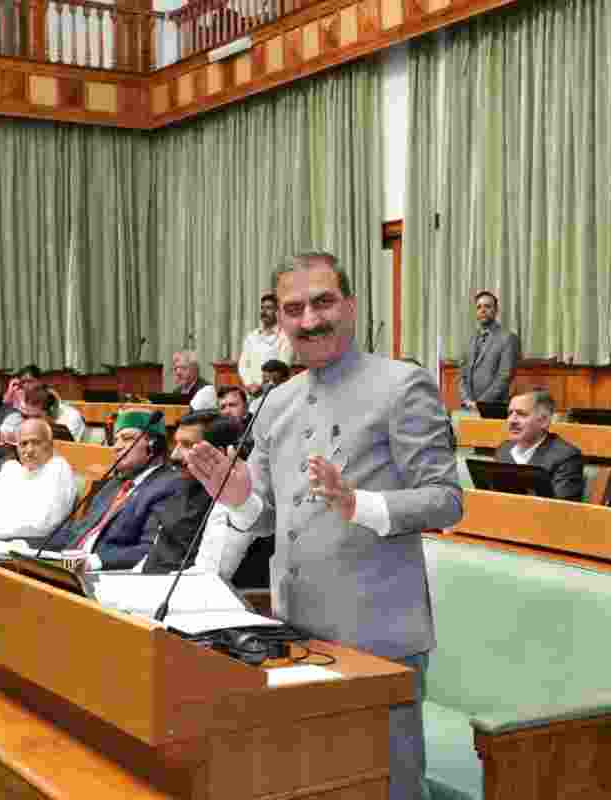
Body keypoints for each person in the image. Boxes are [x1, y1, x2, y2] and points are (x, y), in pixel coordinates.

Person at [184, 251, 463, 800]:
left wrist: (360, 504)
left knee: (389, 788)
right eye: (294, 309)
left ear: (351, 306)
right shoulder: (276, 402)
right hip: (295, 635)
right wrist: (240, 498)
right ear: (280, 320)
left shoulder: (402, 386)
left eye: (322, 302)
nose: (310, 320)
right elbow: (265, 514)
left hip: (379, 635)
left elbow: (447, 501)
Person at [139, 410, 263, 579]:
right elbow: (155, 555)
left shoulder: (234, 501)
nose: (174, 455)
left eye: (187, 445)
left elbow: (209, 577)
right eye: (176, 444)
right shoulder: (181, 484)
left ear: (216, 454)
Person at [50, 411, 180, 570]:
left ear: (153, 445)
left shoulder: (168, 486)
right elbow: (77, 532)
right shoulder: (114, 483)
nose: (116, 447)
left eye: (126, 439)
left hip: (106, 575)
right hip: (71, 567)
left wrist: (93, 561)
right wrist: (24, 545)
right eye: (115, 440)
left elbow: (151, 550)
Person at [0, 419, 79, 540]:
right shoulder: (11, 471)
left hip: (35, 546)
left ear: (50, 445)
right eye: (23, 444)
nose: (29, 450)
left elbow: (44, 524)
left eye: (36, 442)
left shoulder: (58, 468)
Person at [496, 389, 584, 501]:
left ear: (544, 421)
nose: (512, 420)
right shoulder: (503, 450)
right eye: (510, 413)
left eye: (521, 414)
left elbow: (561, 511)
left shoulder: (566, 457)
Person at [459, 290, 520, 410]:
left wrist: (480, 404)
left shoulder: (508, 338)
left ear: (496, 310)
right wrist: (467, 400)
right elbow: (462, 375)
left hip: (494, 407)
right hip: (469, 407)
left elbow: (504, 376)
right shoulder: (470, 339)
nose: (482, 310)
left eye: (487, 306)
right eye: (479, 307)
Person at [238, 291, 294, 398]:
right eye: (262, 308)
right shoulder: (252, 336)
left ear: (278, 312)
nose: (264, 311)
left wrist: (263, 387)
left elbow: (283, 367)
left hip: (275, 392)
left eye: (268, 308)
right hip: (252, 392)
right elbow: (243, 364)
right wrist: (250, 384)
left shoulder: (286, 337)